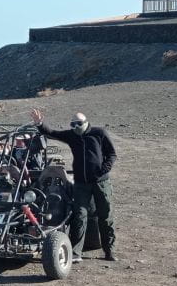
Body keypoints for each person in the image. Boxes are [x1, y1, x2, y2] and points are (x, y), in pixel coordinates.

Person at [31, 108, 117, 261]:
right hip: (81, 184)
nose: (76, 127)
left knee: (105, 216)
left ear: (85, 122)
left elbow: (111, 154)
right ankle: (76, 253)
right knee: (79, 216)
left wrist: (102, 170)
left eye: (78, 123)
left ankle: (109, 251)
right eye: (72, 124)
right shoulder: (72, 136)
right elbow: (52, 133)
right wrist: (40, 123)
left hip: (101, 183)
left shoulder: (99, 133)